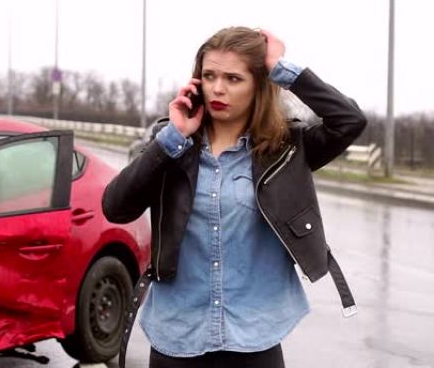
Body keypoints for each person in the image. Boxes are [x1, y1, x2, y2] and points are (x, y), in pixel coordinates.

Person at [102, 26, 367, 368]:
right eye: (209, 75)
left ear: (259, 83)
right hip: (177, 334)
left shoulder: (285, 149)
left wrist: (280, 66)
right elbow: (116, 207)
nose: (218, 88)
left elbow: (350, 121)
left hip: (254, 336)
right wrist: (173, 138)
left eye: (233, 78)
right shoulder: (172, 143)